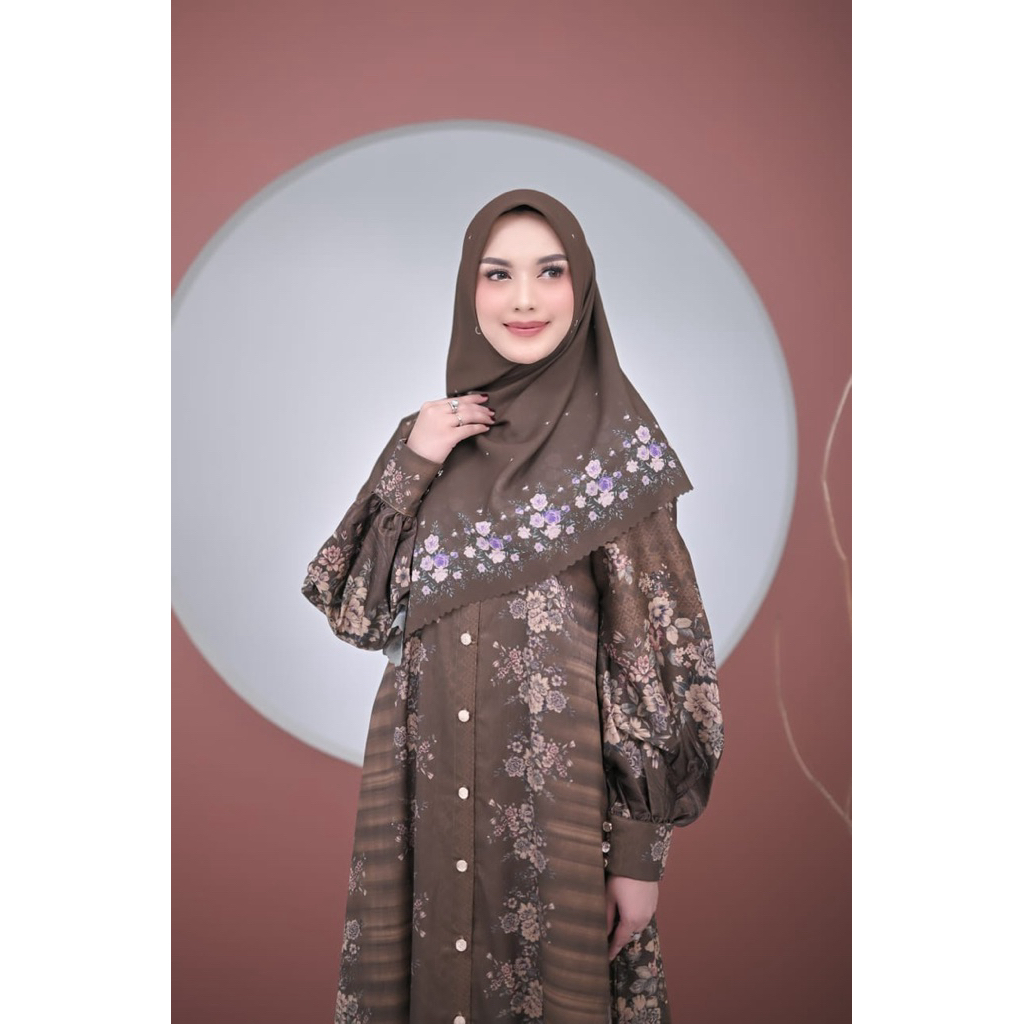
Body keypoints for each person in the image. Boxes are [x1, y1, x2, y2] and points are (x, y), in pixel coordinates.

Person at [302, 189, 723, 1024]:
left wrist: (639, 855)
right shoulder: (430, 439)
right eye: (498, 274)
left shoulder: (615, 460)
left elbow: (654, 660)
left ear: (582, 288)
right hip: (421, 802)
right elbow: (358, 613)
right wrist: (412, 462)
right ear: (470, 290)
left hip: (556, 817)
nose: (523, 299)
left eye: (549, 272)